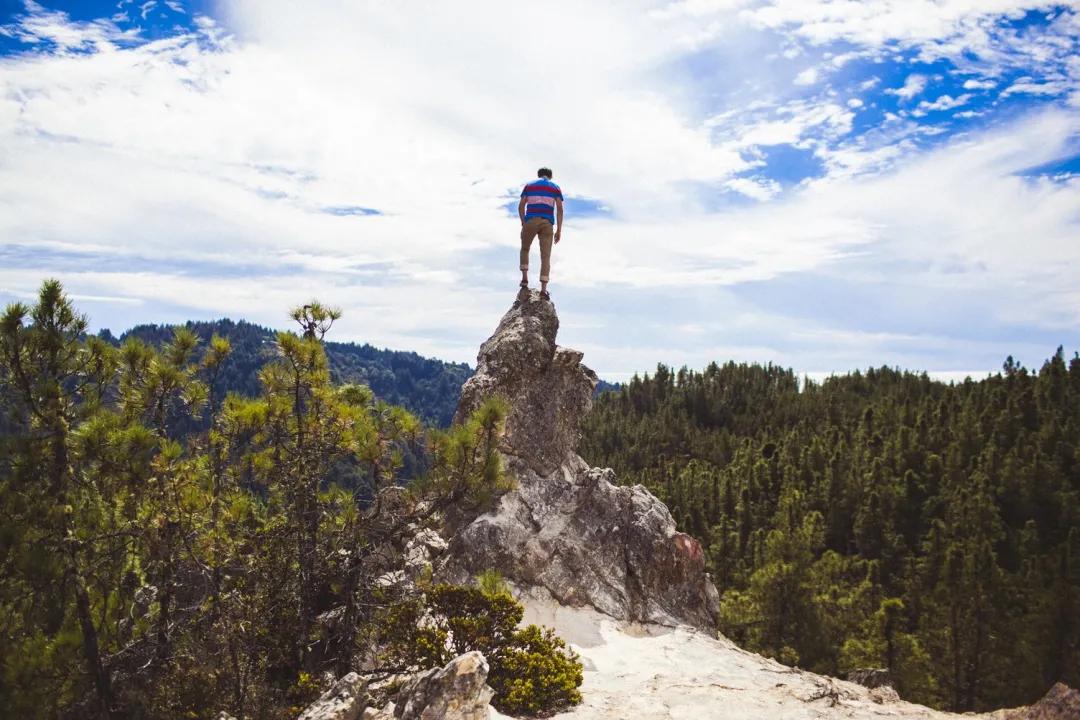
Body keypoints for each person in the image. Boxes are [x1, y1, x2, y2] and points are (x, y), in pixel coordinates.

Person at [518, 167, 563, 300]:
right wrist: (559, 229)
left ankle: (524, 279)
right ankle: (543, 290)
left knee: (525, 249)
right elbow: (559, 209)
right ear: (550, 176)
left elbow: (521, 205)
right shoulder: (555, 187)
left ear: (539, 175)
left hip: (530, 220)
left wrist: (523, 221)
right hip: (547, 223)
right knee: (545, 256)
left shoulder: (529, 186)